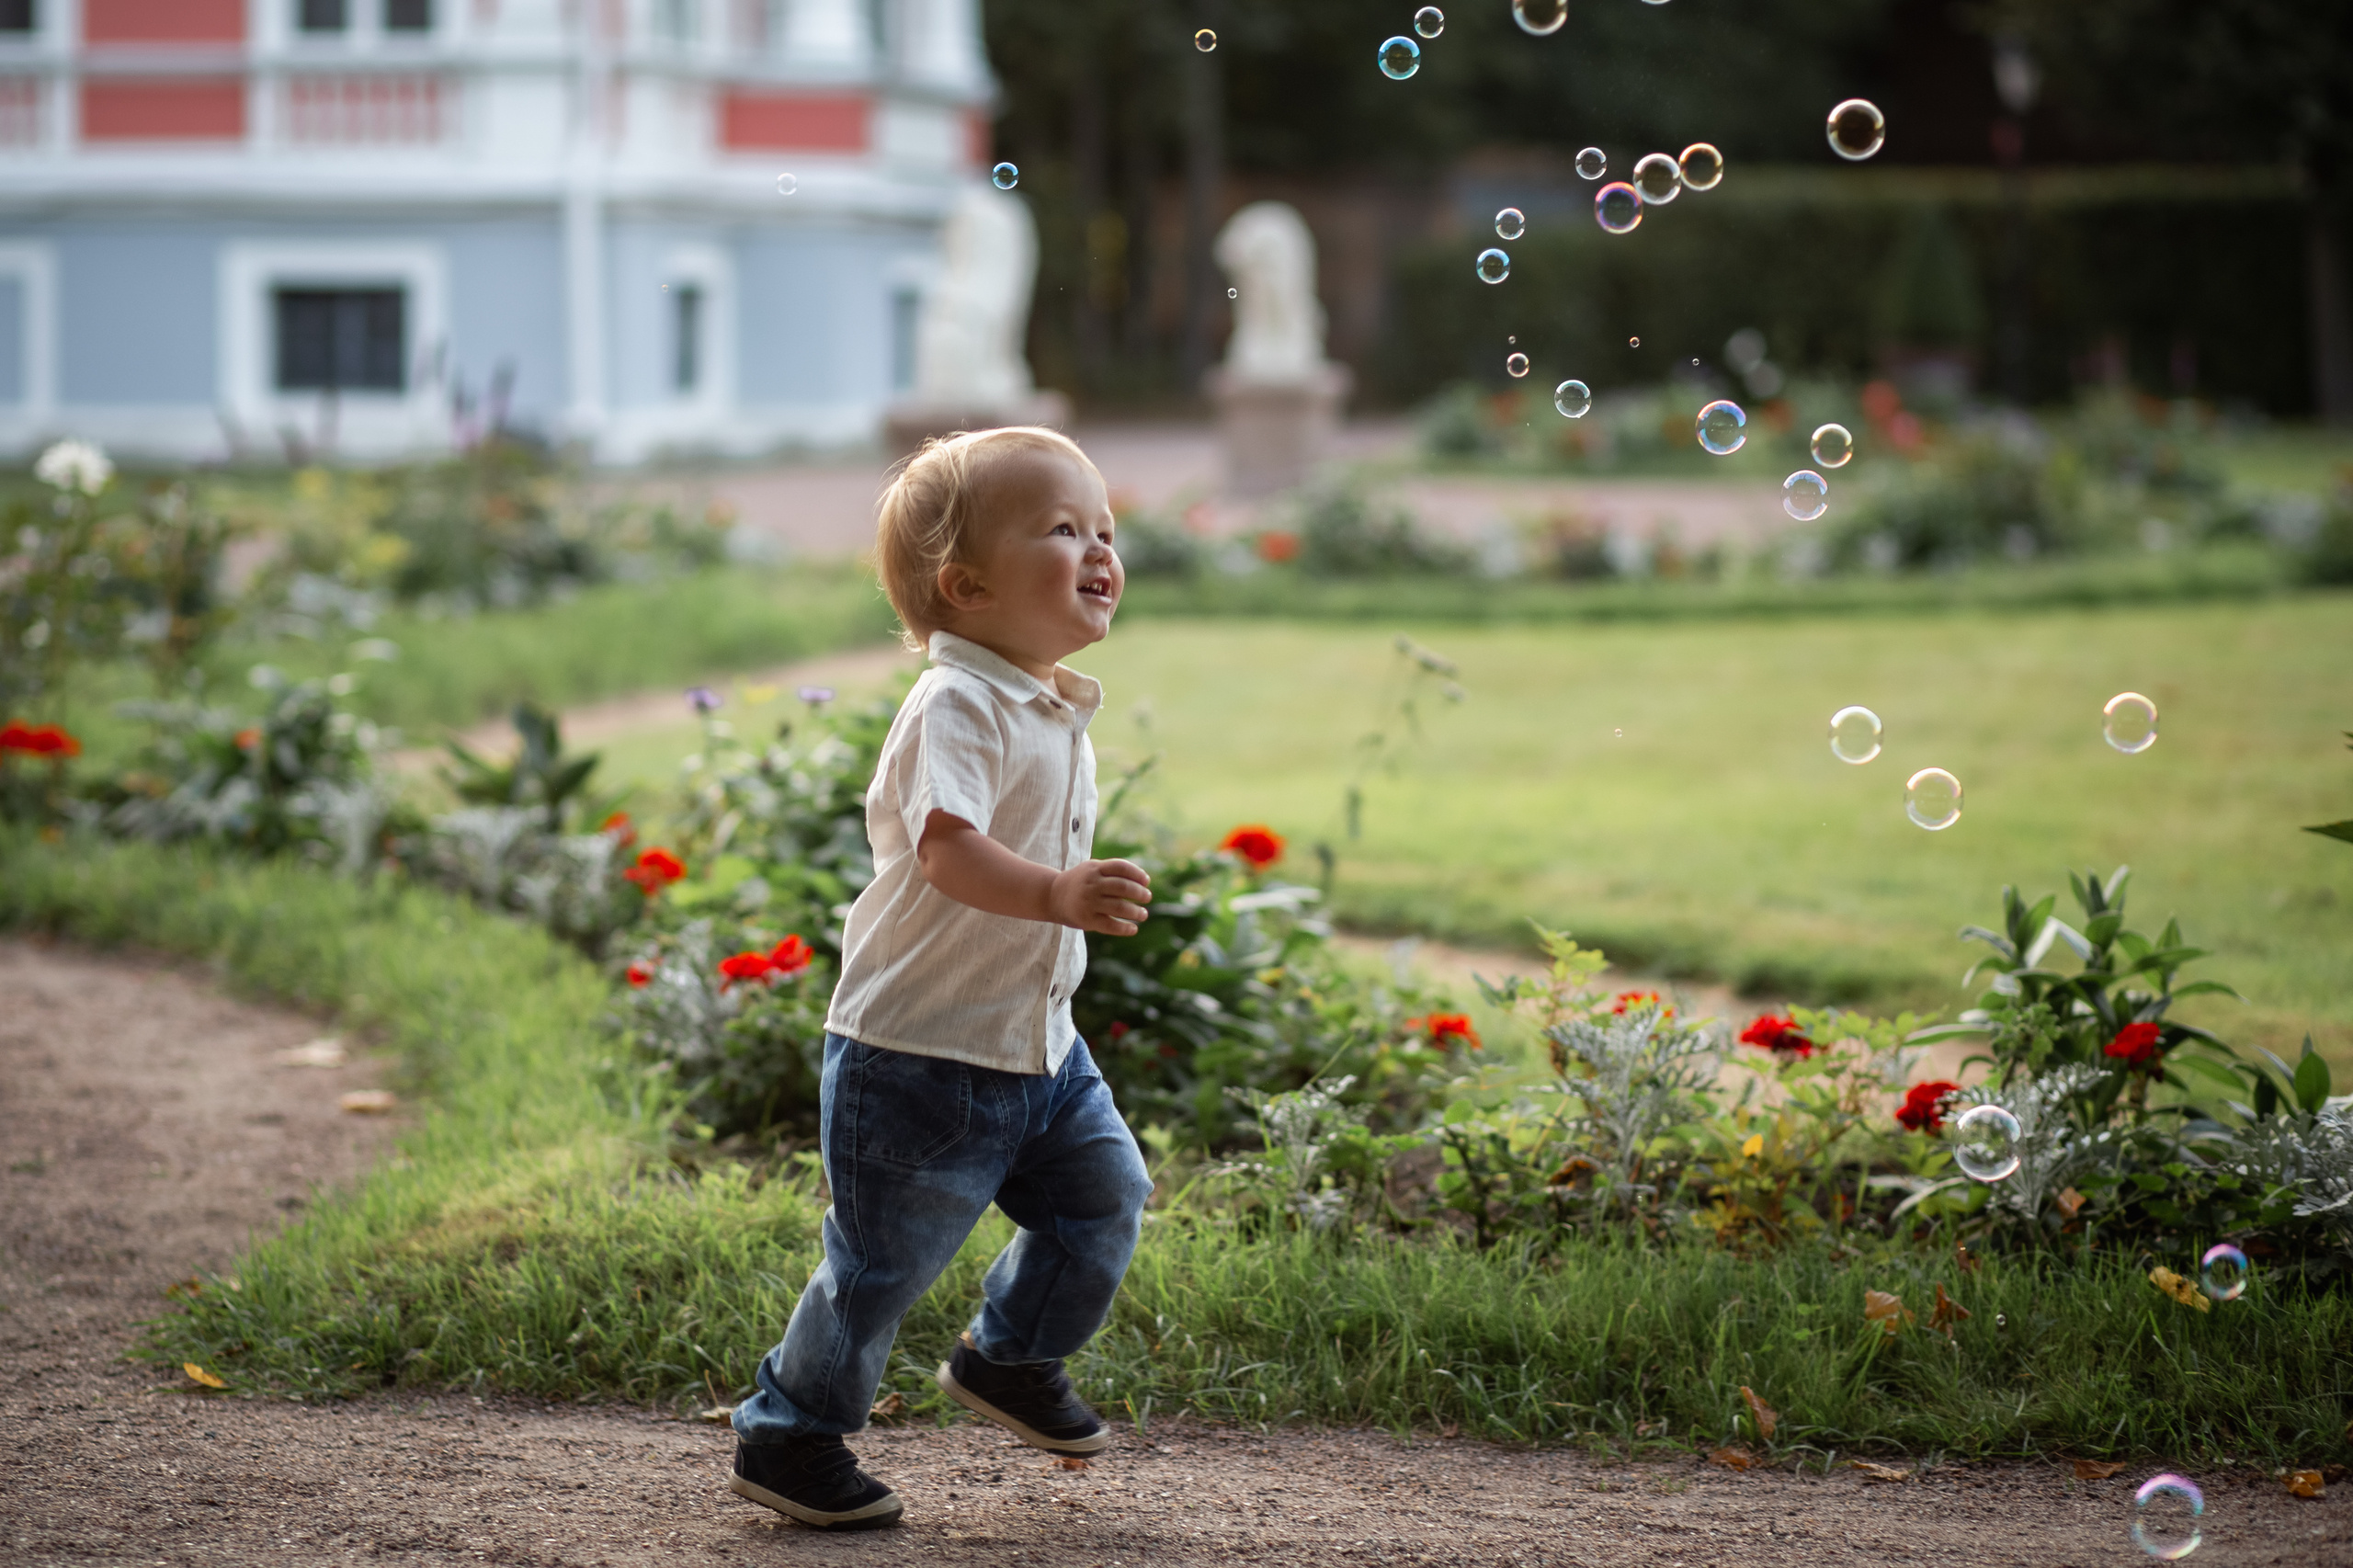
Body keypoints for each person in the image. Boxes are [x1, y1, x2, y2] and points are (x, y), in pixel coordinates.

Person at [725, 426, 1155, 1530]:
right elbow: (947, 850)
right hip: (917, 1057)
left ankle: (1009, 1358)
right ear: (964, 585)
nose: (1100, 547)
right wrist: (1060, 893)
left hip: (1037, 1048)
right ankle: (788, 1432)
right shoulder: (954, 704)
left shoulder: (1051, 698)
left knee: (1102, 1198)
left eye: (1104, 527)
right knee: (878, 1268)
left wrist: (1061, 913)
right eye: (1063, 529)